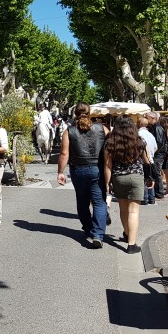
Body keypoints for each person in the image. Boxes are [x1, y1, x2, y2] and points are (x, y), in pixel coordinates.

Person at [57, 102, 109, 248]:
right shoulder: (102, 129)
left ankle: (88, 229)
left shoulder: (69, 131)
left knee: (82, 201)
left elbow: (64, 153)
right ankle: (98, 234)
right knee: (99, 202)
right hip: (97, 169)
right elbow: (110, 149)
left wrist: (60, 172)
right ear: (90, 112)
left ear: (75, 114)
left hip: (78, 169)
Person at [103, 115, 153, 254]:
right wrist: (150, 177)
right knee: (134, 211)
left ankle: (126, 232)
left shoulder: (110, 142)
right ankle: (132, 244)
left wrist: (107, 183)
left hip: (118, 177)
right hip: (136, 177)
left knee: (123, 209)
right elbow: (146, 161)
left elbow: (107, 165)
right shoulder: (139, 141)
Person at [137, 116, 157, 205]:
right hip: (151, 159)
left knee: (143, 179)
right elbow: (156, 147)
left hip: (143, 159)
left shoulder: (138, 134)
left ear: (140, 124)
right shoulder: (150, 134)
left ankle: (144, 198)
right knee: (150, 178)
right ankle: (151, 198)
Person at [145, 111, 166, 198]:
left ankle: (159, 193)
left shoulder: (157, 128)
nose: (146, 119)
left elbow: (159, 143)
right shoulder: (154, 127)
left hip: (158, 155)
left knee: (156, 173)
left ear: (153, 118)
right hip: (157, 154)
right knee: (155, 173)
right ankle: (157, 192)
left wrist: (153, 152)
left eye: (147, 118)